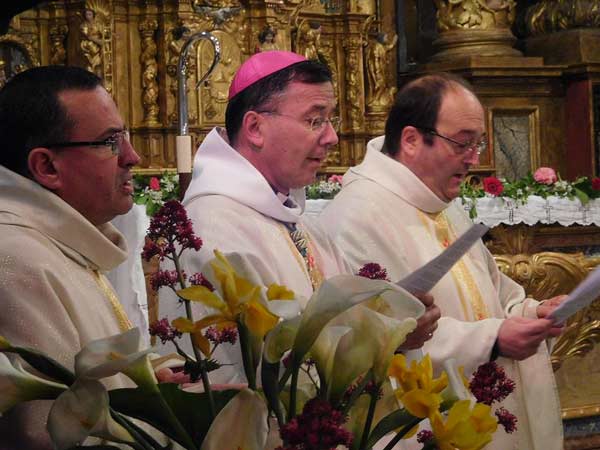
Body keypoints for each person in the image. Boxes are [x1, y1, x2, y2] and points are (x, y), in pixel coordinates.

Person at [319, 73, 565, 449]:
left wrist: (532, 313)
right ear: (412, 140)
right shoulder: (357, 216)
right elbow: (371, 338)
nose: (474, 159)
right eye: (463, 144)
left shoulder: (440, 202)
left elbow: (495, 295)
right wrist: (493, 339)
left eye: (478, 144)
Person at [162, 51, 440, 385]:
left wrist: (391, 321)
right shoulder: (211, 228)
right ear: (255, 128)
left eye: (330, 120)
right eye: (315, 120)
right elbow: (236, 378)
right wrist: (386, 337)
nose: (332, 137)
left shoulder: (297, 219)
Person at [0, 65, 140, 449]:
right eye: (110, 142)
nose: (133, 156)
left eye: (125, 137)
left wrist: (161, 388)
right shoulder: (19, 261)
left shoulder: (58, 241)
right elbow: (46, 431)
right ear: (47, 167)